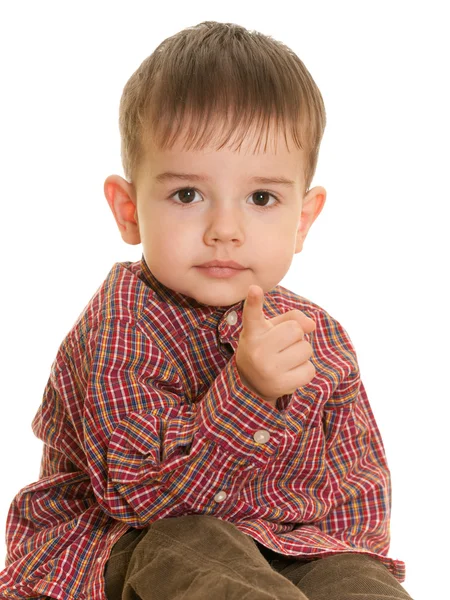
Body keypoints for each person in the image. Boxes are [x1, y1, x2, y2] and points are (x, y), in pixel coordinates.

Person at [0, 21, 412, 600]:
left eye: (261, 198)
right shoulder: (119, 326)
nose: (225, 230)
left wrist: (342, 563)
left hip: (286, 546)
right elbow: (143, 497)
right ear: (129, 210)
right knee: (192, 546)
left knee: (357, 578)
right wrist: (248, 391)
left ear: (302, 219)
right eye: (187, 195)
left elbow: (357, 487)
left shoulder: (318, 337)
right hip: (126, 544)